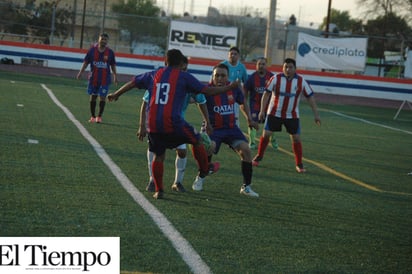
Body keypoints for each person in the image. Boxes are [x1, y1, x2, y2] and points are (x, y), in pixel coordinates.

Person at [107, 49, 238, 199]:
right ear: (181, 63)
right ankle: (204, 169)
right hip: (173, 122)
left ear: (165, 61)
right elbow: (207, 91)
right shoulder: (184, 77)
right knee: (198, 139)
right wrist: (229, 87)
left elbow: (132, 83)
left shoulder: (154, 74)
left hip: (153, 124)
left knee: (159, 156)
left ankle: (159, 190)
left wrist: (116, 94)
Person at [139, 56, 217, 193]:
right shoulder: (160, 80)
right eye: (182, 68)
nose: (183, 71)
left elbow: (201, 100)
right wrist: (141, 125)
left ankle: (177, 182)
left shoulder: (187, 81)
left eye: (185, 69)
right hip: (157, 121)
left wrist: (208, 123)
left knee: (182, 151)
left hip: (177, 123)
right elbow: (145, 101)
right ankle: (152, 180)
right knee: (155, 151)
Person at [192, 63, 260, 198]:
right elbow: (196, 101)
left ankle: (246, 187)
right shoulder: (207, 89)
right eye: (217, 75)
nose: (219, 78)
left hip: (231, 128)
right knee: (207, 150)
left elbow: (242, 102)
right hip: (213, 129)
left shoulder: (233, 89)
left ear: (228, 77)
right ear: (212, 76)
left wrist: (249, 119)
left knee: (246, 150)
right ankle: (201, 176)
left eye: (223, 76)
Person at [252, 58, 321, 173]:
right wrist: (262, 110)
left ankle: (299, 164)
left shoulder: (301, 81)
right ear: (282, 67)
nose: (288, 70)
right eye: (285, 67)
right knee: (267, 134)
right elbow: (266, 94)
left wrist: (316, 115)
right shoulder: (275, 78)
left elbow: (310, 97)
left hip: (292, 115)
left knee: (296, 138)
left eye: (290, 67)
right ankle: (259, 156)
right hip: (274, 113)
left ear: (295, 69)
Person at [76, 33, 118, 123]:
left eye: (105, 40)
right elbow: (86, 62)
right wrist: (80, 72)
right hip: (93, 79)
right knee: (93, 97)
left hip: (105, 79)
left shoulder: (110, 53)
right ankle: (92, 116)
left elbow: (113, 65)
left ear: (107, 41)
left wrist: (115, 76)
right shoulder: (92, 51)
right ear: (98, 39)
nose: (103, 41)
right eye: (102, 39)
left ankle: (99, 117)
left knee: (102, 97)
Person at [244, 57, 278, 150]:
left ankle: (273, 138)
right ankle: (252, 142)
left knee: (271, 123)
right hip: (254, 105)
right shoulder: (251, 78)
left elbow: (277, 91)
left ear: (266, 65)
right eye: (259, 64)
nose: (261, 66)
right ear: (256, 66)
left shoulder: (272, 77)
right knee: (252, 122)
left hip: (268, 105)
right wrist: (244, 101)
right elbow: (245, 90)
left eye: (263, 64)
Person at [221, 46, 248, 127]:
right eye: (231, 54)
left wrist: (243, 95)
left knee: (235, 117)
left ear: (238, 56)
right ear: (228, 55)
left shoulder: (242, 67)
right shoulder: (223, 65)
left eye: (235, 54)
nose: (233, 55)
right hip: (222, 94)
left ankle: (235, 132)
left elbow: (245, 82)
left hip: (234, 96)